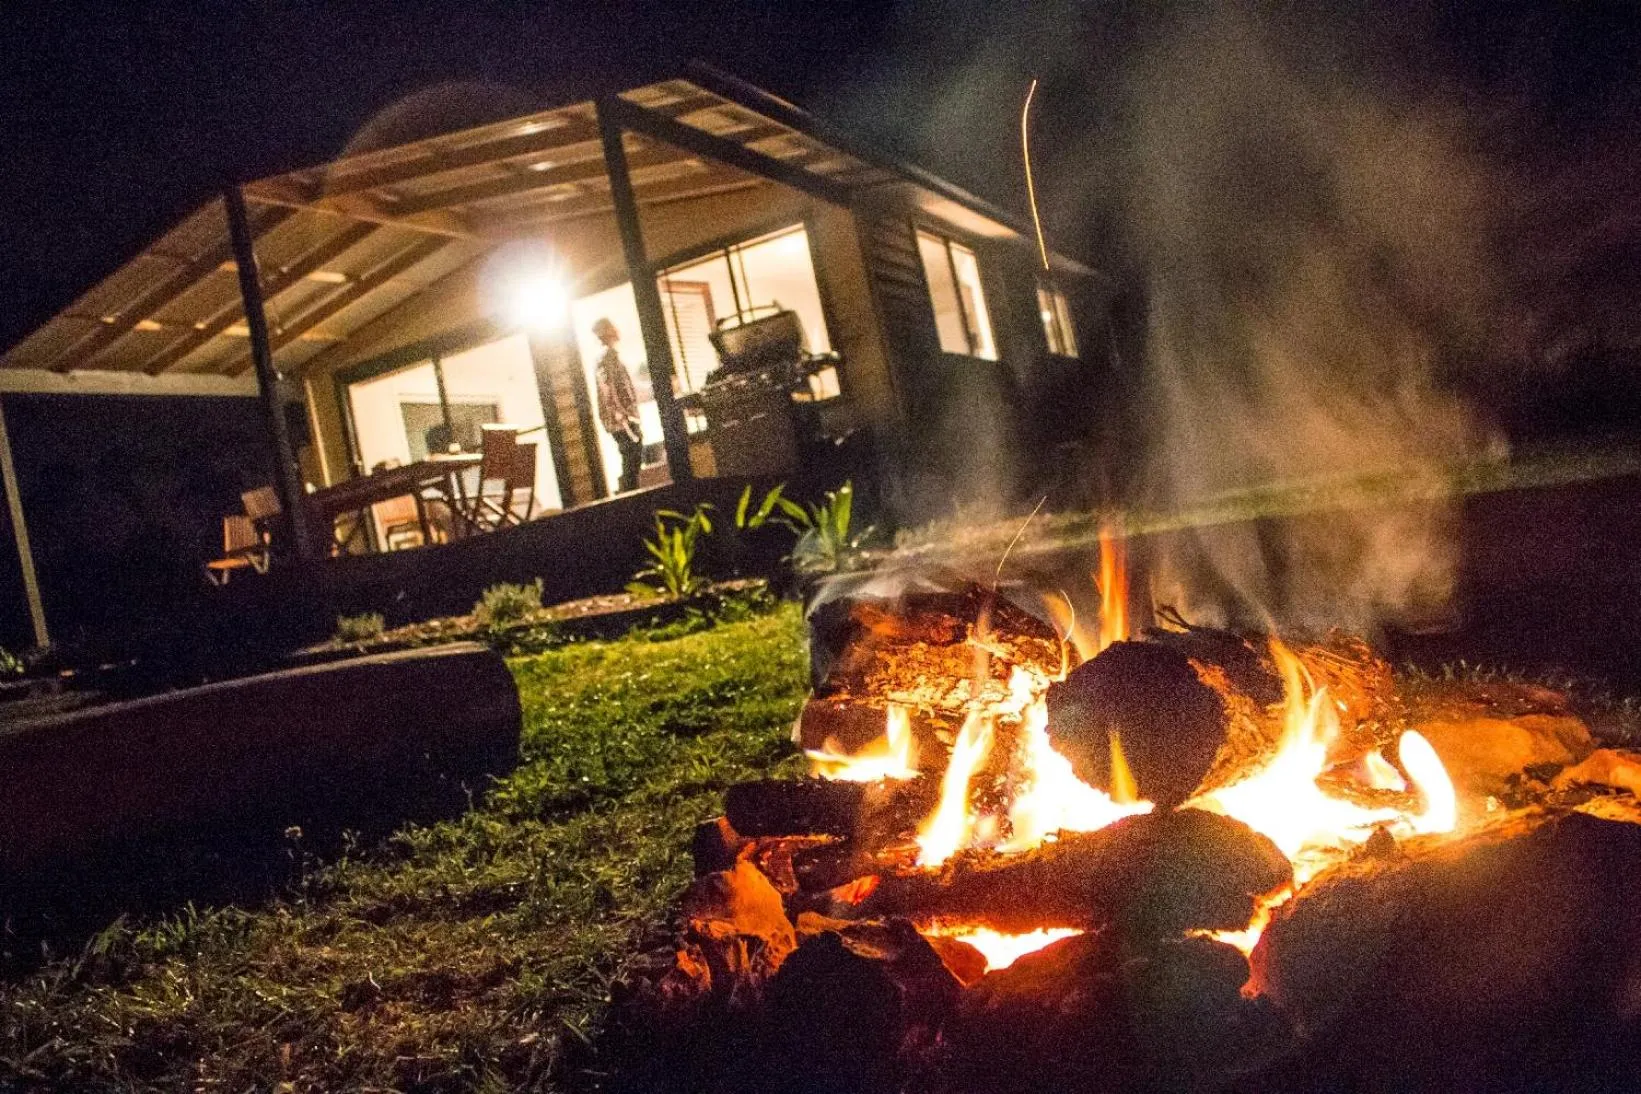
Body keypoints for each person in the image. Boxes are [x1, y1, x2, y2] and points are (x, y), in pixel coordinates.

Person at [591, 317, 644, 493]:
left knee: (632, 457)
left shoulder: (609, 358)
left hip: (624, 417)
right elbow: (608, 390)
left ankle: (629, 491)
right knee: (631, 456)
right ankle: (629, 494)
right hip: (622, 419)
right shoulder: (607, 358)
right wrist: (622, 415)